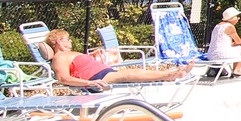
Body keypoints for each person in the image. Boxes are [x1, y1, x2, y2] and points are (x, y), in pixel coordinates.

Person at [45, 29, 186, 90]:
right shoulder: (59, 58)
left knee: (134, 71)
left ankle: (169, 74)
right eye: (67, 39)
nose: (70, 41)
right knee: (128, 75)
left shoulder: (69, 54)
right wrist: (89, 82)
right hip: (96, 77)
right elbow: (63, 79)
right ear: (58, 42)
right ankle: (169, 75)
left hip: (102, 71)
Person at [208, 7, 241, 76]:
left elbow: (220, 42)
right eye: (236, 17)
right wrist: (240, 43)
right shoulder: (230, 26)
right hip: (221, 55)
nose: (238, 18)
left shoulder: (217, 26)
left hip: (211, 55)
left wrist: (233, 43)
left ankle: (225, 70)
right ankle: (237, 70)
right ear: (231, 18)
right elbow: (238, 41)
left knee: (238, 46)